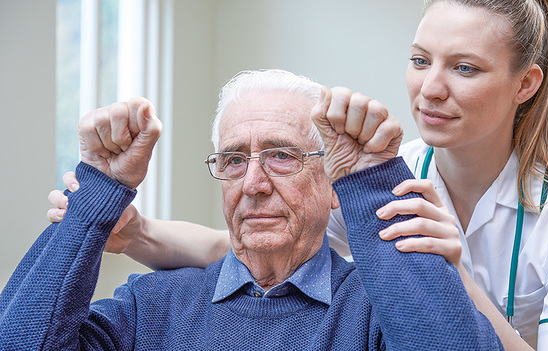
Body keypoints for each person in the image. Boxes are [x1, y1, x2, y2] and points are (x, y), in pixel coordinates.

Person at [47, 0, 548, 349]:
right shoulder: (378, 177)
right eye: (419, 59)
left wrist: (452, 276)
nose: (430, 88)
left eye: (464, 68)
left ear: (526, 84)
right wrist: (124, 229)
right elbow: (246, 242)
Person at [0, 70, 503, 350]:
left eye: (282, 156)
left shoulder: (377, 311)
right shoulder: (150, 308)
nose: (254, 184)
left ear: (332, 183)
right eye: (234, 159)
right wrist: (98, 193)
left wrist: (372, 184)